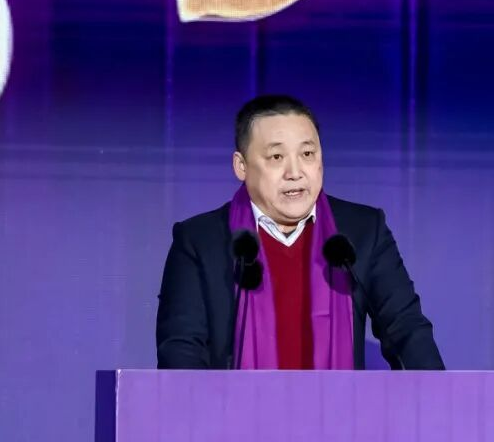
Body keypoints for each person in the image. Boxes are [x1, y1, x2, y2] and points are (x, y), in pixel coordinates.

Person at [156, 94, 444, 370]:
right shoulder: (199, 241)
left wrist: (438, 396)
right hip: (233, 406)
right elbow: (181, 353)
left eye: (307, 154)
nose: (295, 172)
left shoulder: (363, 231)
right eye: (276, 157)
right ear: (241, 166)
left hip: (338, 405)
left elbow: (406, 329)